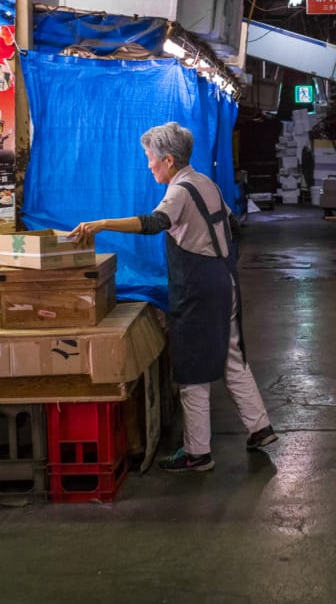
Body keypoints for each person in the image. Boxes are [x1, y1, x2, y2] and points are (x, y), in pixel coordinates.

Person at [69, 122, 278, 472]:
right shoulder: (206, 183)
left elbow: (154, 223)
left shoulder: (179, 190)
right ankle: (260, 428)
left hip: (198, 289)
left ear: (168, 159)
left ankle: (198, 452)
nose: (148, 165)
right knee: (232, 355)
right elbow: (234, 227)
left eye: (150, 159)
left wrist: (103, 223)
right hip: (224, 280)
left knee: (192, 367)